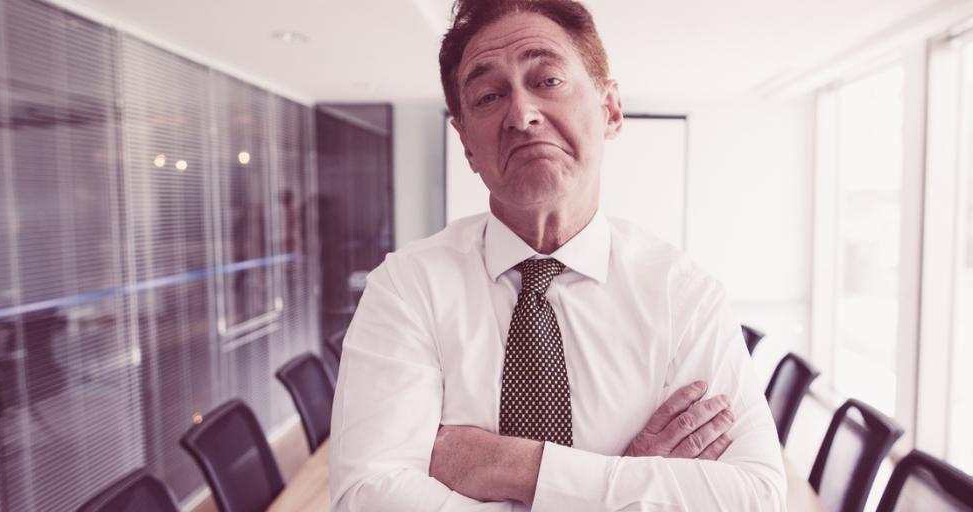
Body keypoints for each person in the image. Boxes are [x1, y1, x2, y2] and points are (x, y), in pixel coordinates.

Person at [328, 0, 786, 510]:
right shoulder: (407, 288)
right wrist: (625, 480)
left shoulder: (685, 296)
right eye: (487, 96)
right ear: (466, 144)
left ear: (610, 110)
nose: (521, 114)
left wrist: (510, 464)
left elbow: (756, 498)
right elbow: (367, 499)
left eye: (547, 80)